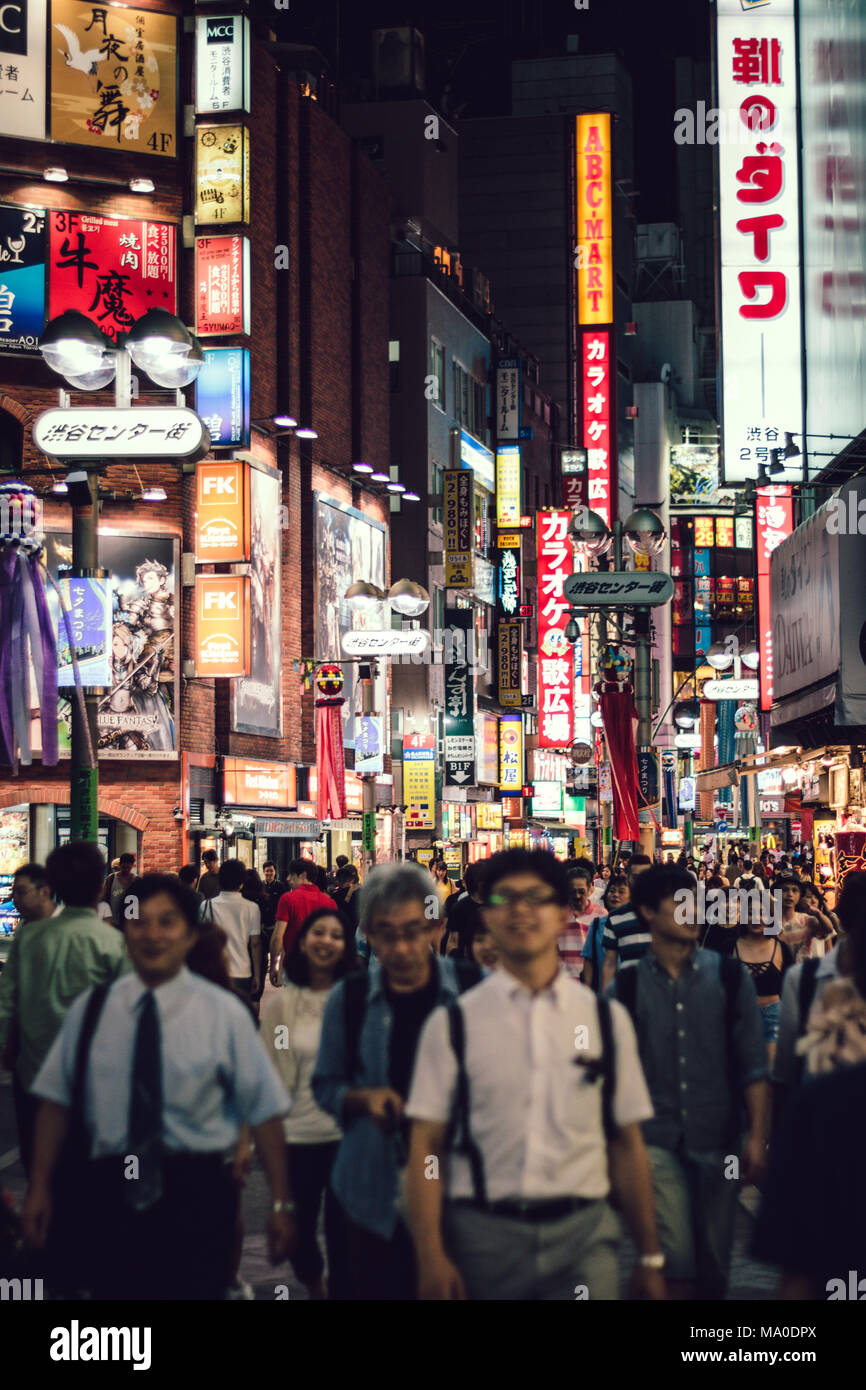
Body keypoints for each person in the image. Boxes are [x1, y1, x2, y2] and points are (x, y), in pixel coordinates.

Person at [405, 848, 665, 1302]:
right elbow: (426, 1146)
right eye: (506, 899)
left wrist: (649, 1255)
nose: (521, 911)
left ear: (565, 911)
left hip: (586, 1234)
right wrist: (430, 1254)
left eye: (537, 898)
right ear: (486, 914)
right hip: (483, 1236)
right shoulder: (453, 1025)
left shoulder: (604, 1021)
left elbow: (628, 1141)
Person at [22, 874, 295, 1301]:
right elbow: (55, 1105)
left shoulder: (224, 1013)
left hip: (198, 1188)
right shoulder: (92, 1011)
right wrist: (39, 1187)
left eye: (166, 922)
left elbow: (263, 1109)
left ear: (189, 934)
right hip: (109, 1190)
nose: (152, 934)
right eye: (139, 922)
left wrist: (281, 1203)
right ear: (124, 931)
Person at [312, 862, 482, 1300]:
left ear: (437, 926)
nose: (403, 947)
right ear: (367, 933)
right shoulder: (348, 999)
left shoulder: (472, 991)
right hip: (368, 1191)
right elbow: (325, 1084)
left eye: (414, 930)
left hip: (460, 1195)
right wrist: (362, 1099)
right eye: (387, 934)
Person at [607, 866, 769, 1299]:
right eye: (680, 903)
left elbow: (753, 1062)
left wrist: (757, 1135)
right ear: (647, 911)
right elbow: (607, 1077)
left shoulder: (730, 978)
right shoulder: (625, 988)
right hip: (652, 1141)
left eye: (696, 901)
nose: (693, 911)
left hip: (719, 1137)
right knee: (674, 1256)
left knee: (714, 1263)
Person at [0, 846, 128, 1178]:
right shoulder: (112, 943)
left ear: (52, 885)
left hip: (35, 1075)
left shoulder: (29, 938)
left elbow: (6, 1005)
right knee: (91, 1177)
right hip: (95, 1082)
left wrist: (8, 1050)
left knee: (40, 1170)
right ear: (101, 886)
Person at [261, 908, 358, 1300]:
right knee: (297, 1230)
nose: (327, 941)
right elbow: (269, 1074)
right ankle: (315, 1284)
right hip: (296, 1137)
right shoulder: (284, 1006)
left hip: (348, 1137)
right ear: (302, 942)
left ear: (346, 945)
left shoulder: (357, 999)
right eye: (319, 932)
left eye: (336, 935)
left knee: (346, 1232)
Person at [0, 864, 57, 1175]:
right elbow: (11, 997)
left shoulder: (69, 932)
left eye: (20, 892)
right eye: (14, 893)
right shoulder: (25, 933)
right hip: (28, 1055)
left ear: (45, 892)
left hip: (60, 1056)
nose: (15, 899)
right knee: (30, 1131)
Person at [733, 895, 794, 1065]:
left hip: (774, 1018)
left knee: (771, 1074)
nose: (756, 919)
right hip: (739, 1018)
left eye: (762, 913)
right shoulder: (729, 946)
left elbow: (790, 992)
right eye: (750, 913)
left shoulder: (781, 948)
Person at [202, 859, 264, 1003]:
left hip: (214, 971)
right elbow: (255, 943)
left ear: (220, 880)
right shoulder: (252, 908)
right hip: (242, 970)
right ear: (241, 883)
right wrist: (257, 974)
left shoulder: (206, 906)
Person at [270, 860, 337, 984]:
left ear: (303, 875)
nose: (288, 878)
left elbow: (277, 937)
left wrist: (274, 965)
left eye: (291, 875)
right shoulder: (329, 902)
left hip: (295, 967)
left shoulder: (288, 899)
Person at [600, 853, 655, 989]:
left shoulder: (665, 914)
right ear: (628, 878)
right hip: (628, 994)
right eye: (637, 877)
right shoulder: (615, 918)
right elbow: (610, 963)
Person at [582, 874, 628, 993]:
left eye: (621, 891)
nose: (615, 895)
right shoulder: (597, 924)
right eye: (611, 891)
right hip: (601, 994)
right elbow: (589, 961)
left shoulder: (636, 924)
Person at [559, 863, 603, 980]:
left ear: (589, 889)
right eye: (573, 891)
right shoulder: (557, 914)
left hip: (590, 982)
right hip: (563, 982)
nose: (577, 896)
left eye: (581, 891)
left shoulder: (601, 915)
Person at [777, 873, 834, 962]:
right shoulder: (770, 923)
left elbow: (829, 929)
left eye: (794, 890)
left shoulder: (808, 921)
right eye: (784, 890)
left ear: (799, 895)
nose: (790, 894)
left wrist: (819, 914)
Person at [101, 852, 136, 930]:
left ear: (132, 866)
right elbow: (103, 897)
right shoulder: (111, 878)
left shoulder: (136, 881)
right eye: (124, 867)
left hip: (129, 922)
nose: (126, 870)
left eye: (128, 867)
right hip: (112, 921)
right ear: (120, 865)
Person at [260, 862, 286, 966]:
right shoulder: (260, 886)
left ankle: (275, 965)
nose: (269, 873)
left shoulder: (280, 886)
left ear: (275, 872)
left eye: (271, 870)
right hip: (263, 922)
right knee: (264, 946)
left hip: (276, 922)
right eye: (267, 871)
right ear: (263, 872)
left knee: (276, 945)